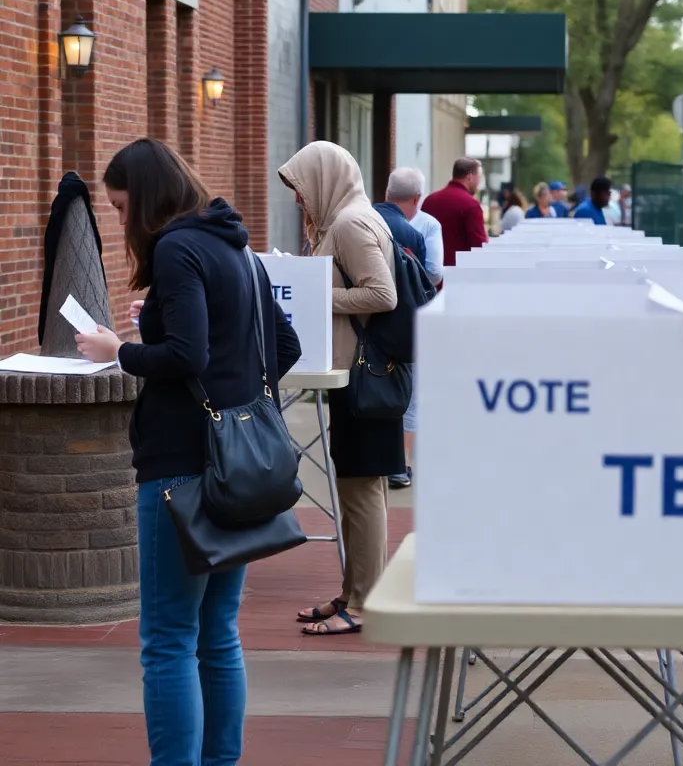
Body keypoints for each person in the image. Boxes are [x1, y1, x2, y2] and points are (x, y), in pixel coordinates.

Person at [75, 138, 301, 766]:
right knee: (217, 635)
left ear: (145, 199)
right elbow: (284, 348)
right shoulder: (236, 247)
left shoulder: (175, 250)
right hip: (238, 469)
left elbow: (187, 358)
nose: (120, 220)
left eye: (120, 207)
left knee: (168, 639)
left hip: (179, 467)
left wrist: (115, 350)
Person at [279, 141, 404, 637]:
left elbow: (383, 294)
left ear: (324, 179)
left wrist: (316, 294)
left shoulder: (351, 224)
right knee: (356, 486)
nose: (296, 199)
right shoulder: (346, 221)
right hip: (355, 374)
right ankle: (353, 593)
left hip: (366, 376)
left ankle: (366, 604)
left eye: (300, 187)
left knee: (363, 490)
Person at [376, 166, 437, 490]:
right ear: (417, 199)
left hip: (362, 331)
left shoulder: (362, 220)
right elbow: (425, 281)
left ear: (386, 193)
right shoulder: (412, 234)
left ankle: (375, 460)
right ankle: (400, 465)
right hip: (402, 329)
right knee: (409, 397)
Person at [421, 157, 488, 266]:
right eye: (479, 177)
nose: (479, 182)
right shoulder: (471, 205)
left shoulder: (430, 200)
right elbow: (478, 246)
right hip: (458, 274)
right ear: (470, 176)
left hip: (429, 272)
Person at [373, 173, 427, 269]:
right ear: (416, 199)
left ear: (387, 194)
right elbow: (417, 281)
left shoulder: (362, 217)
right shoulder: (415, 238)